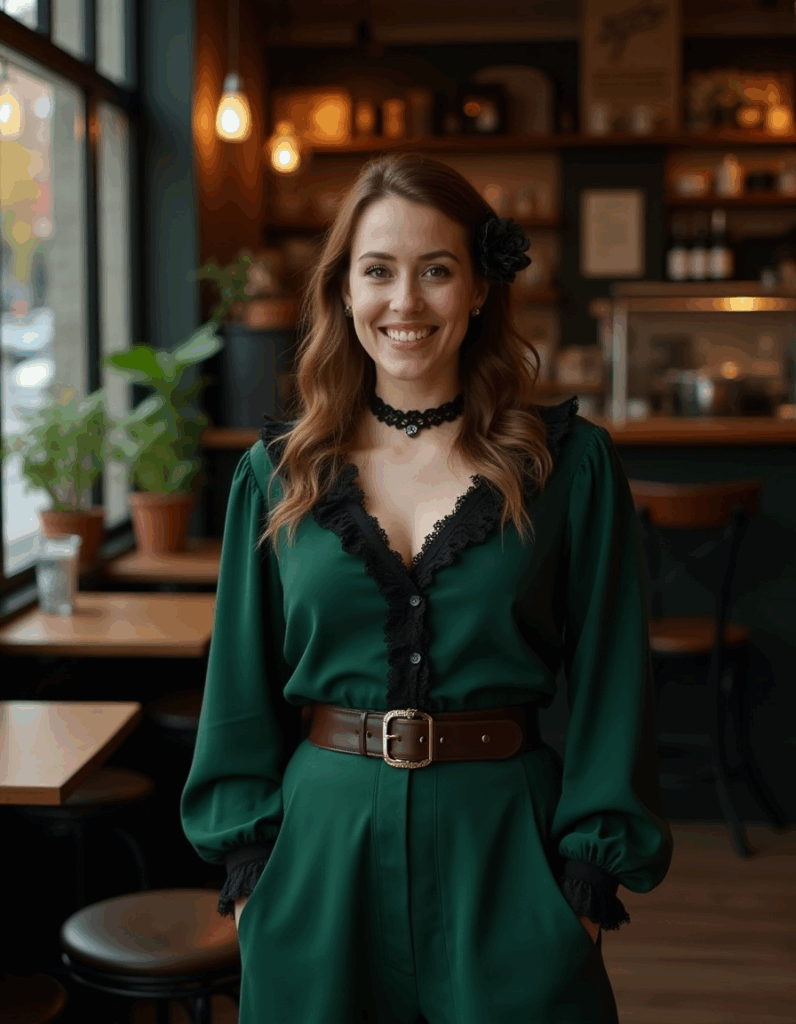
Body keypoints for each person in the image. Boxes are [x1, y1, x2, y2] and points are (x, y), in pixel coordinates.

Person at [180, 151, 673, 1023]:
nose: (404, 302)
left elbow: (615, 683)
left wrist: (585, 888)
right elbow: (237, 691)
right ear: (344, 290)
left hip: (507, 856)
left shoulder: (570, 465)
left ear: (479, 288)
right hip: (317, 864)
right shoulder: (278, 472)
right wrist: (252, 878)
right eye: (378, 271)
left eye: (435, 271)